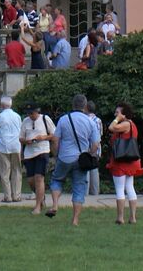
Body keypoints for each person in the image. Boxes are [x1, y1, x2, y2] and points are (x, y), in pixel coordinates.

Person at [48, 93, 101, 226]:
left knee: (57, 180)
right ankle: (75, 220)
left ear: (73, 105)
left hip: (64, 157)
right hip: (81, 159)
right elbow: (95, 144)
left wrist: (56, 154)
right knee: (79, 187)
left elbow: (55, 139)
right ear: (85, 106)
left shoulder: (63, 119)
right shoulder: (90, 122)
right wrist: (89, 154)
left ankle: (55, 204)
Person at [108, 103, 143, 224]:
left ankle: (120, 217)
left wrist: (117, 119)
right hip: (130, 160)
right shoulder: (132, 124)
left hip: (121, 160)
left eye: (117, 112)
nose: (115, 114)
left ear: (124, 114)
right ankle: (132, 217)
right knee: (130, 187)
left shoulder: (125, 124)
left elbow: (111, 128)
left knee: (120, 188)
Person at [20, 104, 55, 214]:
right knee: (31, 181)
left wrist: (43, 137)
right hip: (29, 153)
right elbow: (21, 138)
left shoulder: (45, 119)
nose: (30, 115)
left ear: (37, 111)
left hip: (42, 151)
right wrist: (26, 141)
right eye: (28, 113)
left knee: (39, 178)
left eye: (32, 113)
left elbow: (54, 134)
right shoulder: (25, 121)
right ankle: (41, 197)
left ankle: (37, 206)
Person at [0, 96, 24, 203]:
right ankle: (16, 195)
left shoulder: (0, 117)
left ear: (2, 106)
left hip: (4, 145)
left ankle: (8, 196)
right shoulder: (17, 116)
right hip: (16, 145)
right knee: (16, 170)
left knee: (5, 171)